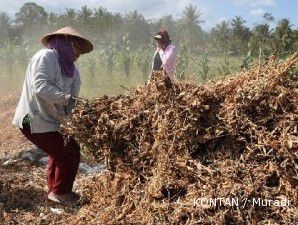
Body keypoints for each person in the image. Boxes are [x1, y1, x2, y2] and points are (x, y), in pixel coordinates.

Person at [12, 27, 93, 205]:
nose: (79, 54)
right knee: (68, 153)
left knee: (65, 149)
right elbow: (40, 87)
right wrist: (68, 99)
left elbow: (72, 101)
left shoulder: (72, 71)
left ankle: (54, 191)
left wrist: (78, 116)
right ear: (65, 43)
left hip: (50, 120)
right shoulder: (46, 57)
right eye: (77, 48)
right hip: (31, 118)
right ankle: (61, 194)